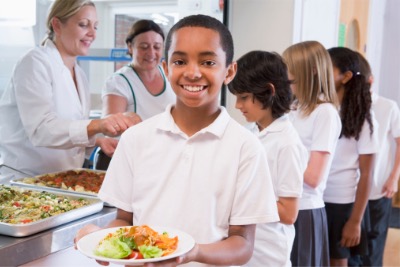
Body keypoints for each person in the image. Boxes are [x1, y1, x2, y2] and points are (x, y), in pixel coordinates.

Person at [74, 14, 279, 267]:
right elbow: (124, 221)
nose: (193, 73)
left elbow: (243, 245)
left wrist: (193, 253)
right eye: (180, 61)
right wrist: (102, 239)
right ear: (166, 67)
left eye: (208, 62)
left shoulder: (246, 148)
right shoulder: (136, 139)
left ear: (229, 71)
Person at [0, 0, 137, 178]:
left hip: (64, 180)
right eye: (83, 25)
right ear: (57, 25)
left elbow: (68, 130)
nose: (92, 34)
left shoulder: (79, 74)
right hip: (25, 180)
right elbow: (41, 130)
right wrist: (98, 125)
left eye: (95, 27)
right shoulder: (34, 62)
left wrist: (96, 141)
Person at [228, 50, 307, 266]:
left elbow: (289, 213)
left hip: (268, 253)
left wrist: (241, 194)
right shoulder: (250, 131)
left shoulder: (287, 143)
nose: (237, 105)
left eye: (243, 97)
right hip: (243, 246)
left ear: (269, 91)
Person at [282, 40, 342, 267]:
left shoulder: (325, 113)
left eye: (291, 73)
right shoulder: (294, 109)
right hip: (285, 205)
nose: (286, 78)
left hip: (306, 210)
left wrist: (277, 162)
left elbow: (314, 178)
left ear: (311, 72)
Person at [323, 47, 379, 266]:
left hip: (342, 204)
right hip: (314, 198)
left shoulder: (362, 117)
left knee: (338, 261)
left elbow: (367, 174)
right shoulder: (321, 108)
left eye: (328, 69)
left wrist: (355, 221)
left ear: (345, 77)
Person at [94, 19, 175, 170]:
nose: (151, 53)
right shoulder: (119, 82)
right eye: (144, 47)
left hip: (163, 158)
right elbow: (110, 127)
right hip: (127, 161)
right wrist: (126, 118)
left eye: (157, 47)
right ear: (130, 47)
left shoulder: (170, 76)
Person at [357, 52, 400, 266]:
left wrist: (394, 177)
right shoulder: (344, 107)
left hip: (379, 188)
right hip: (350, 192)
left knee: (373, 251)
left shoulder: (388, 106)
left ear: (370, 80)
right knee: (354, 252)